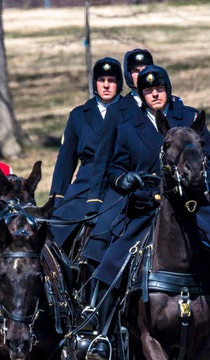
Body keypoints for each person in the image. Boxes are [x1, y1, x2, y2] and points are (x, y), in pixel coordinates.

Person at [85, 65, 210, 360]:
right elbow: (116, 167)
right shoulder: (130, 125)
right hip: (146, 206)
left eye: (159, 88)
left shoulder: (190, 119)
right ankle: (102, 336)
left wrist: (202, 180)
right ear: (140, 95)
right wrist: (126, 180)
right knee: (112, 261)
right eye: (147, 90)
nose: (154, 94)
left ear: (168, 89)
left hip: (194, 206)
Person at [81, 49, 155, 279]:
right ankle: (95, 302)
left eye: (144, 69)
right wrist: (94, 202)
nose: (140, 75)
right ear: (127, 75)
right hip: (123, 185)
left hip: (161, 185)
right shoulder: (117, 111)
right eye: (135, 71)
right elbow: (102, 159)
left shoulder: (165, 103)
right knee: (100, 237)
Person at [48, 57, 123, 249]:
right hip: (85, 183)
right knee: (55, 231)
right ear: (94, 84)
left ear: (119, 83)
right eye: (101, 80)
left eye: (112, 80)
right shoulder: (79, 115)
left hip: (117, 181)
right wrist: (57, 199)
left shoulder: (130, 110)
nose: (106, 85)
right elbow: (66, 162)